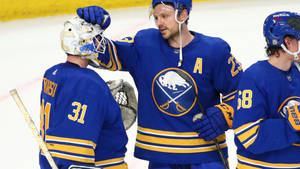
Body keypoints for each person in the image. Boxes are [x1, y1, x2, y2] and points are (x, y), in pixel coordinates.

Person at [76, 0, 242, 168]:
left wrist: (224, 115)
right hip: (161, 158)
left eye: (165, 16)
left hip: (206, 157)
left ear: (183, 14)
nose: (159, 22)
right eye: (156, 17)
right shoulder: (145, 44)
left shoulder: (214, 50)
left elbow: (242, 94)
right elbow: (101, 55)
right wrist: (91, 28)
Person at [39, 16, 128, 169]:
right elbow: (74, 152)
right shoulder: (89, 83)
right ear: (82, 43)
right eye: (95, 38)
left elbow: (63, 120)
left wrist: (104, 110)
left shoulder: (52, 73)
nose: (99, 42)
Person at [233, 11, 300, 169]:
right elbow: (248, 135)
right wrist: (290, 124)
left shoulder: (297, 72)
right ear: (288, 42)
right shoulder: (254, 77)